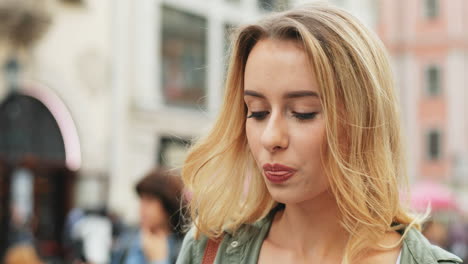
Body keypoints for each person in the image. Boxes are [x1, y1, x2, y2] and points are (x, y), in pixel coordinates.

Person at [176, 3, 463, 264]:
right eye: (257, 111)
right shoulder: (209, 251)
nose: (271, 138)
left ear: (363, 120)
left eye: (303, 112)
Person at [111, 168, 185, 264]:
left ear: (167, 205)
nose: (142, 207)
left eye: (149, 200)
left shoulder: (182, 247)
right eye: (141, 199)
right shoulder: (129, 239)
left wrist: (159, 260)